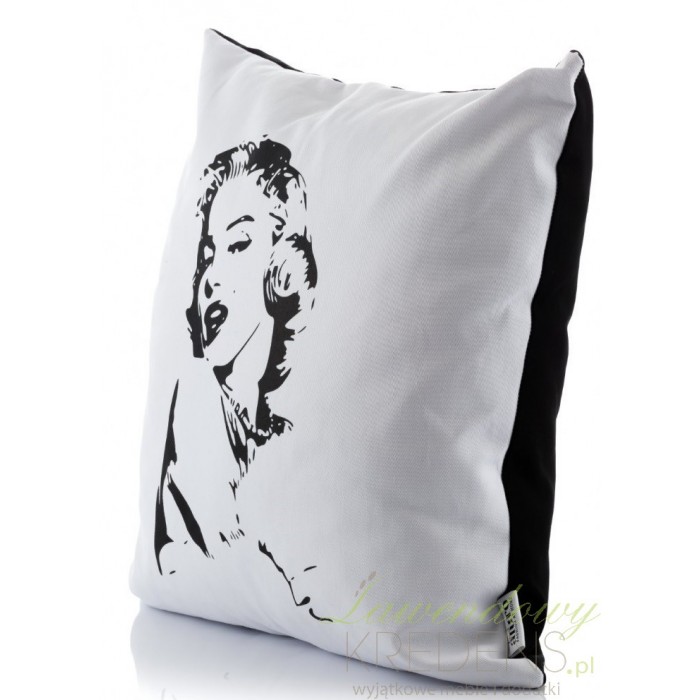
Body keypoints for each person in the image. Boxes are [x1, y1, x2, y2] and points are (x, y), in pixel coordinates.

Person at [153, 138, 326, 619]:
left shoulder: (283, 438)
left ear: (282, 268)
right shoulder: (195, 398)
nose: (209, 275)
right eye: (207, 253)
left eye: (237, 245)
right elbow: (234, 556)